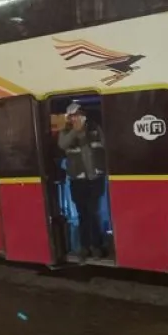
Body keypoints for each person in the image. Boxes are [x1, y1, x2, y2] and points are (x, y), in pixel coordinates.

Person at [57, 102, 108, 259]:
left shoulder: (95, 128)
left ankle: (97, 246)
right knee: (82, 215)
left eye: (80, 114)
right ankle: (85, 247)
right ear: (70, 118)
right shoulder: (66, 132)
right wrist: (75, 131)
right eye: (74, 115)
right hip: (77, 181)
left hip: (95, 179)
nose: (78, 117)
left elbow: (105, 145)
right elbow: (62, 144)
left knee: (94, 213)